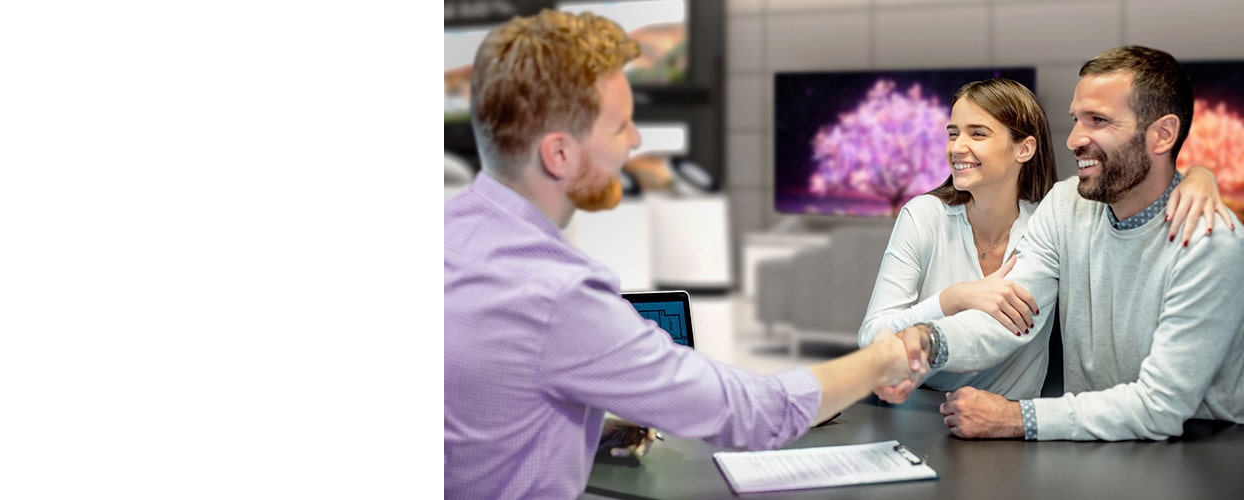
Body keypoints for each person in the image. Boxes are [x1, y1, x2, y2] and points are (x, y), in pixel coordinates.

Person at [443, 10, 924, 498]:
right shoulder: (561, 295)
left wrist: (592, 420)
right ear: (559, 154)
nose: (634, 142)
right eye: (620, 127)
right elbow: (752, 413)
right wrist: (880, 360)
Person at [877, 46, 1244, 441]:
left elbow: (1159, 406)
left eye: (1098, 121)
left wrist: (1016, 418)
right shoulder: (1066, 205)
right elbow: (1008, 318)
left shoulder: (1209, 245)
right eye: (1076, 120)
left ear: (1163, 135)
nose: (1073, 140)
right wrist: (929, 342)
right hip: (1089, 444)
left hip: (1198, 451)